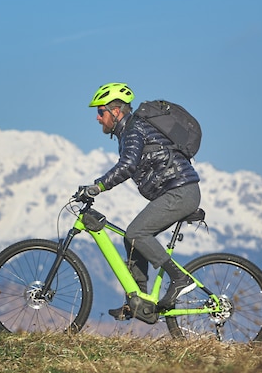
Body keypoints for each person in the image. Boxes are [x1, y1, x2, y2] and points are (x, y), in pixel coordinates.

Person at [80, 82, 202, 321]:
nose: (97, 118)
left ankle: (180, 278)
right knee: (132, 238)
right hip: (176, 191)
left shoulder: (135, 128)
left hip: (181, 191)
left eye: (100, 111)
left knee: (136, 233)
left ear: (116, 112)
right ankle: (138, 300)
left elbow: (128, 166)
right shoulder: (129, 131)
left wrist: (98, 186)